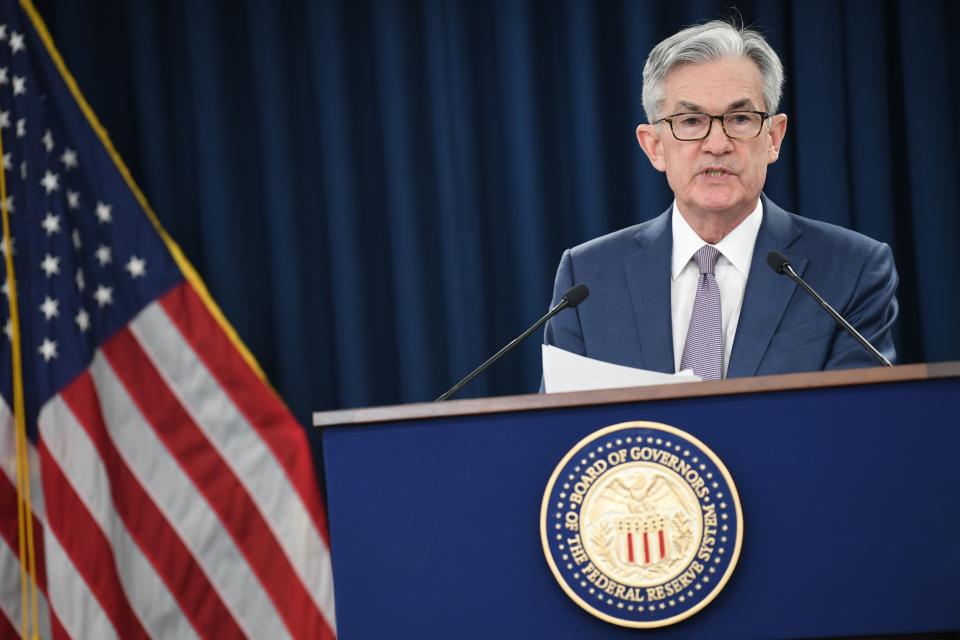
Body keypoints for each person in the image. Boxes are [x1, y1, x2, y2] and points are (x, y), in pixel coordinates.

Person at [543, 20, 898, 380]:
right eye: (691, 121)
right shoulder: (587, 278)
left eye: (740, 118)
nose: (717, 144)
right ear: (653, 146)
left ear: (773, 138)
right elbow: (560, 430)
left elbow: (857, 424)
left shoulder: (851, 269)